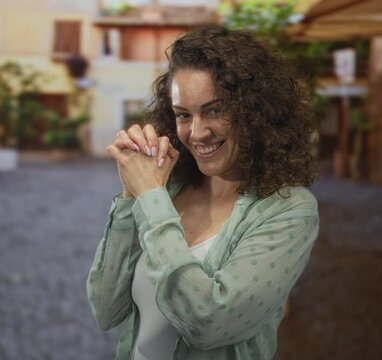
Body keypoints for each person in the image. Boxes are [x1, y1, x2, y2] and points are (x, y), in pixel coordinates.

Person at [87, 25, 319, 360]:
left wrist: (151, 198)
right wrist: (130, 196)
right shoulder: (169, 190)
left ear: (255, 111)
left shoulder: (289, 209)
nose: (197, 133)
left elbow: (208, 323)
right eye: (183, 115)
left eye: (214, 110)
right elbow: (105, 310)